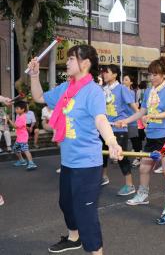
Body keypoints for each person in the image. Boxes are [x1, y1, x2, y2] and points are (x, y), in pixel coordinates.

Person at [29, 44, 122, 255]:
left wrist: (112, 141)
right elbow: (39, 98)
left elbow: (100, 119)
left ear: (85, 63)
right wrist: (34, 76)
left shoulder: (93, 92)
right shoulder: (66, 88)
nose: (68, 62)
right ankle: (74, 238)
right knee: (66, 204)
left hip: (87, 164)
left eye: (72, 59)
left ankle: (96, 252)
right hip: (68, 162)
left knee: (85, 213)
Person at [115, 57, 165, 206]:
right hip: (151, 137)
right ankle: (142, 195)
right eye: (150, 74)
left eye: (155, 74)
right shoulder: (149, 91)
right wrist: (126, 121)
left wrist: (153, 116)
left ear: (164, 75)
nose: (152, 77)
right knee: (143, 168)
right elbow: (141, 112)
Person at [100, 65, 137, 196]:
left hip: (119, 128)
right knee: (102, 154)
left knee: (121, 156)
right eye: (103, 72)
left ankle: (129, 185)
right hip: (104, 127)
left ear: (115, 74)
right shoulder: (103, 89)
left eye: (107, 72)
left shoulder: (121, 89)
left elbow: (133, 106)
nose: (104, 74)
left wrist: (141, 117)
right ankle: (103, 177)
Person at [7, 101, 37, 170]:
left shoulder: (22, 117)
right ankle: (22, 161)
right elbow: (23, 125)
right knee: (15, 149)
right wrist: (27, 127)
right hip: (19, 137)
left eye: (17, 109)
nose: (16, 110)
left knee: (25, 150)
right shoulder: (19, 116)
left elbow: (15, 126)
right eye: (15, 108)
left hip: (23, 137)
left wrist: (9, 120)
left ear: (23, 109)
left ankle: (31, 163)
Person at [122, 74, 142, 167]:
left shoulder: (130, 92)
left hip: (131, 119)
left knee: (134, 140)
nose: (123, 81)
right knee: (122, 139)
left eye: (126, 80)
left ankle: (138, 157)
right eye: (123, 80)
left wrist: (141, 116)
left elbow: (134, 106)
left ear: (131, 82)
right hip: (122, 119)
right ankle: (122, 156)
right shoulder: (123, 91)